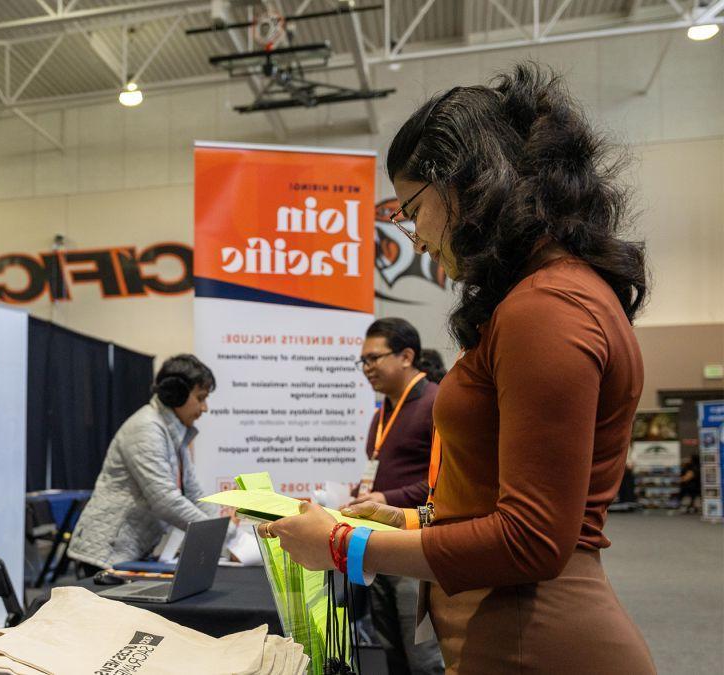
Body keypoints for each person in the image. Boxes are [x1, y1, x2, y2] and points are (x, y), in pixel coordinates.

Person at [263, 64, 655, 673]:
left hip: (538, 642)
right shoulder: (551, 297)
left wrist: (345, 544)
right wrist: (412, 517)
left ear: (468, 183)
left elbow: (533, 540)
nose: (414, 238)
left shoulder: (546, 306)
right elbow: (517, 498)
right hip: (515, 633)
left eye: (411, 209)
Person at [349, 318, 444, 675]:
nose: (367, 368)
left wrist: (386, 497)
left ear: (406, 356)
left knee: (423, 658)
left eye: (375, 358)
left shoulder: (437, 404)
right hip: (379, 546)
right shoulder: (384, 411)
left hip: (417, 547)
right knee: (389, 654)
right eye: (363, 361)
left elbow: (445, 483)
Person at [67, 354, 217, 573]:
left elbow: (194, 494)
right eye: (201, 398)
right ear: (175, 394)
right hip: (106, 553)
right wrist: (222, 538)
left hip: (131, 550)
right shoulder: (146, 428)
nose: (205, 408)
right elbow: (164, 499)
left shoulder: (174, 432)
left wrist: (227, 535)